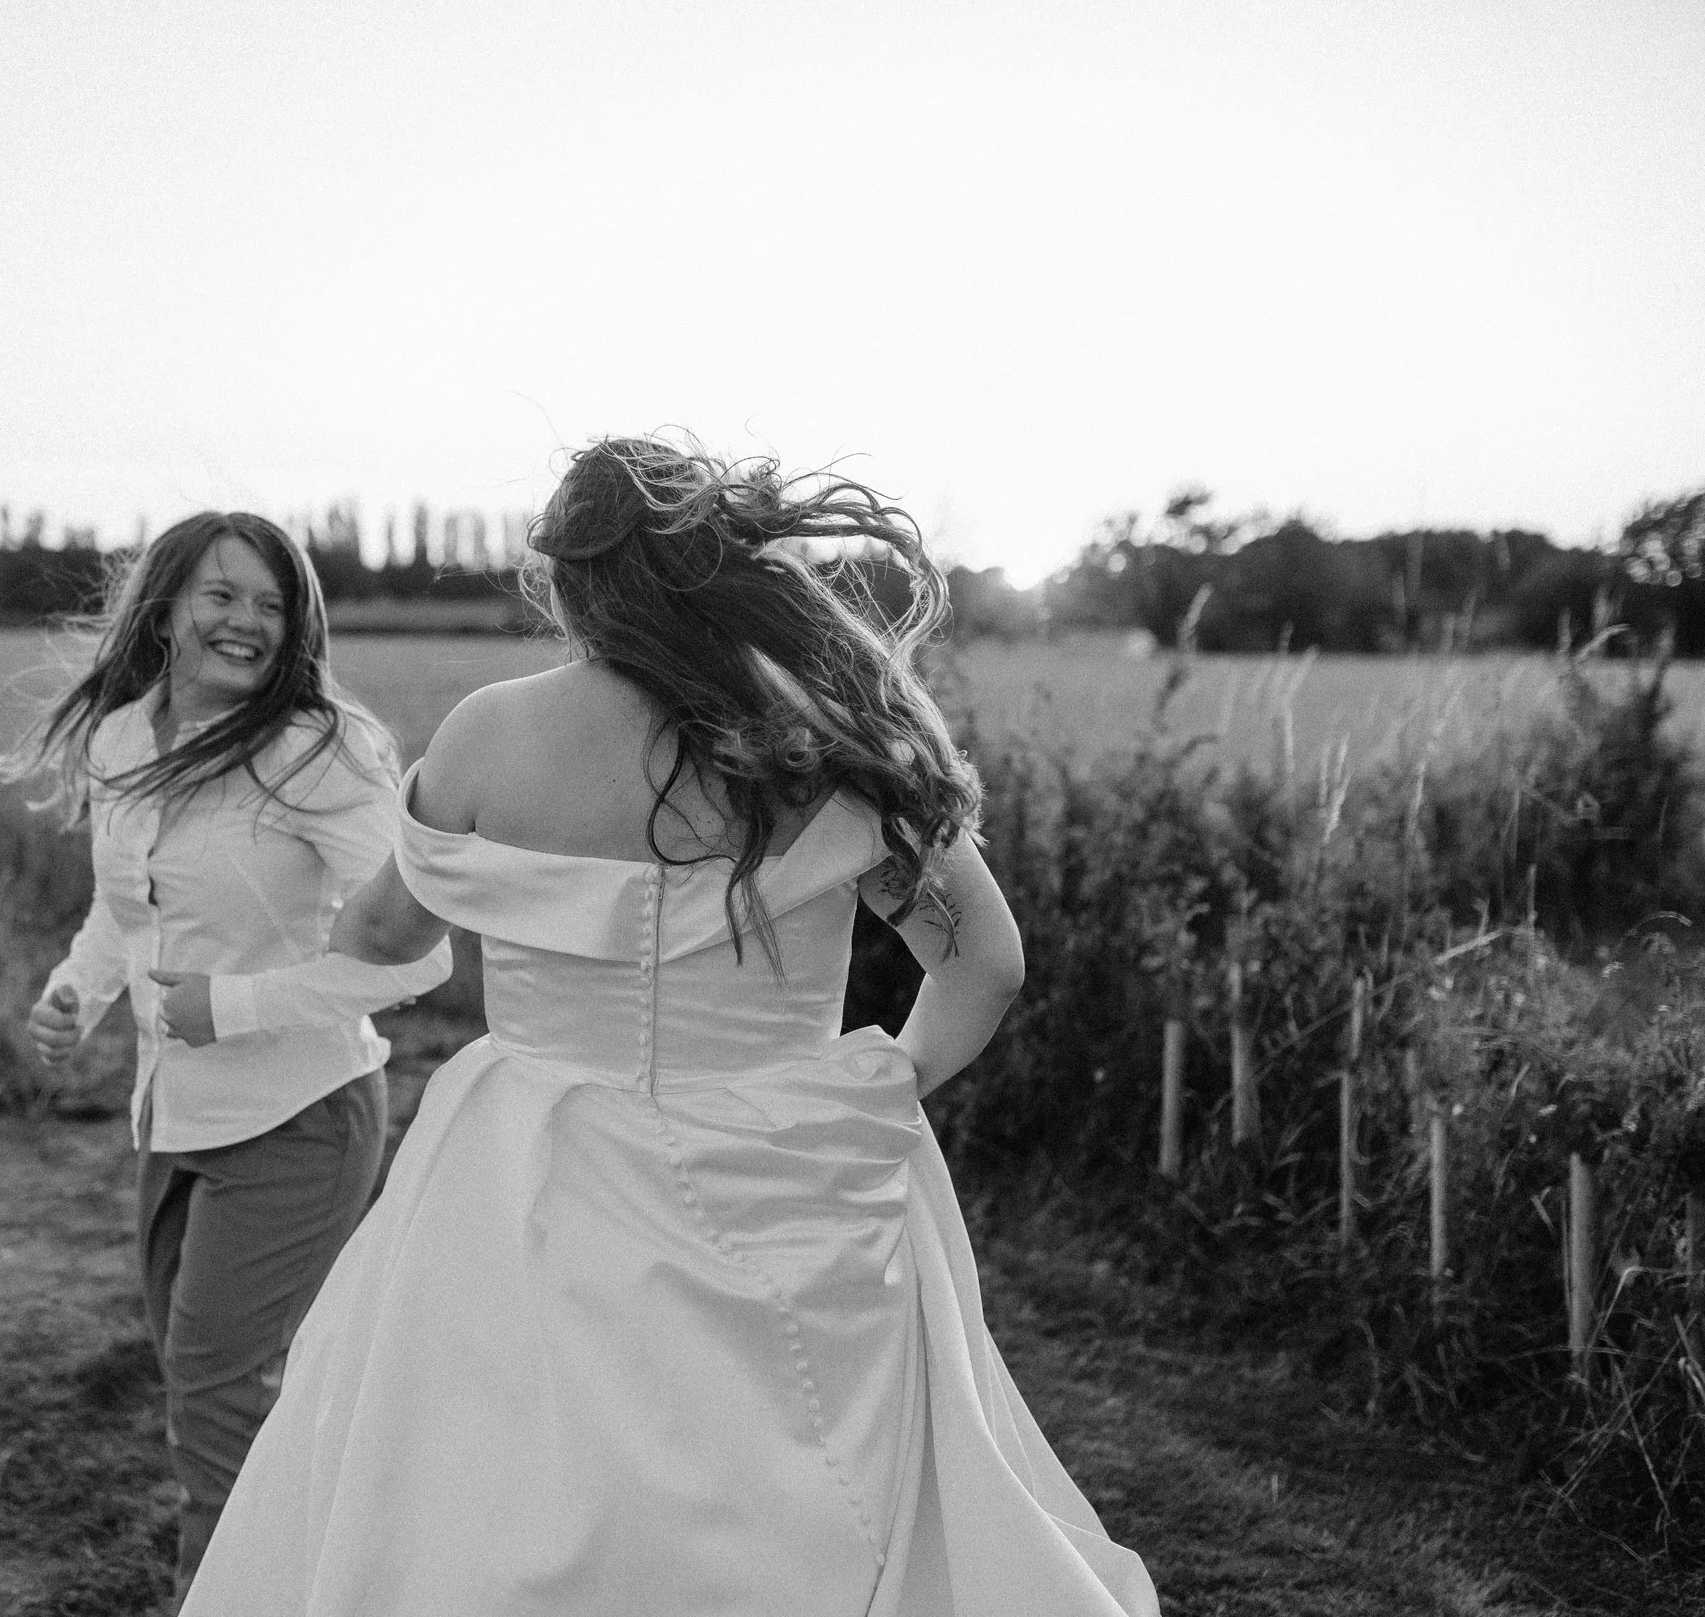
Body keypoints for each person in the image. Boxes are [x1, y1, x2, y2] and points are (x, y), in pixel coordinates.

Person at [178, 438, 1160, 1615]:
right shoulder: (824, 734)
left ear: (566, 582)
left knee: (488, 1479)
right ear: (716, 567)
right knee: (801, 1488)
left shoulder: (489, 733)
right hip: (785, 1155)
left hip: (526, 1166)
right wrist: (874, 1089)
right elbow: (983, 964)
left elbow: (384, 932)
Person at [0, 511, 452, 1598]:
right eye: (221, 594)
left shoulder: (316, 754)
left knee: (214, 1390)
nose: (247, 621)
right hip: (173, 1114)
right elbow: (126, 911)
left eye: (271, 601)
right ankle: (340, 1560)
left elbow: (418, 960)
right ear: (165, 604)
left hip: (299, 1109)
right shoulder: (119, 741)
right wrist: (75, 993)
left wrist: (232, 1006)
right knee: (210, 1378)